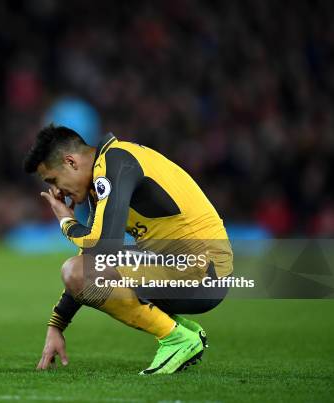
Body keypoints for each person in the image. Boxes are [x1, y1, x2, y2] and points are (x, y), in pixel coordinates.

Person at [23, 125, 233, 375]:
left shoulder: (116, 162)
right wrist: (56, 324)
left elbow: (103, 248)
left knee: (77, 271)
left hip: (203, 269)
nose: (56, 192)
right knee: (82, 270)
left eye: (53, 180)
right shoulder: (108, 167)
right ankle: (182, 330)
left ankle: (177, 339)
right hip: (191, 267)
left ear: (71, 162)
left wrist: (67, 223)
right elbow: (93, 259)